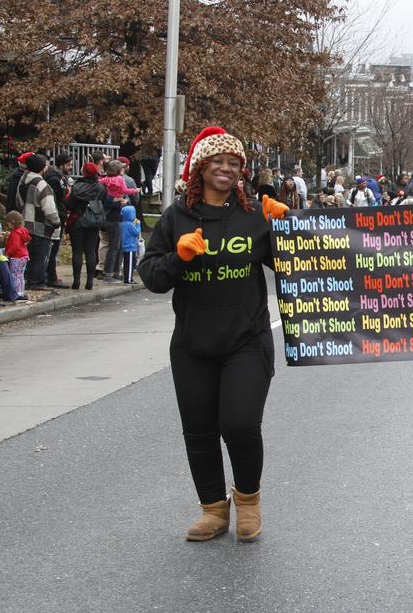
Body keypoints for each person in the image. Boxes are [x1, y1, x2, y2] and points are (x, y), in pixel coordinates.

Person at [138, 126, 288, 543]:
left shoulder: (255, 214)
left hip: (246, 340)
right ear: (200, 168)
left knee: (240, 425)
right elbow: (151, 276)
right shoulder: (176, 217)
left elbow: (301, 268)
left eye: (234, 163)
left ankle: (248, 501)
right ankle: (212, 510)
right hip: (193, 344)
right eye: (218, 162)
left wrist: (290, 228)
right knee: (199, 430)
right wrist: (178, 257)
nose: (226, 169)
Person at [14, 154, 61, 291]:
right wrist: (56, 222)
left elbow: (18, 202)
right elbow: (49, 208)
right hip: (41, 225)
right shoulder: (42, 184)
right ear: (41, 168)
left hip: (25, 223)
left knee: (29, 254)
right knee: (41, 256)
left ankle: (28, 280)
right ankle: (37, 282)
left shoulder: (23, 180)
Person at [66, 162, 115, 290]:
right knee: (90, 251)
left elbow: (69, 204)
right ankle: (89, 282)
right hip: (94, 221)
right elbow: (103, 202)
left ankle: (76, 281)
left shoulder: (77, 186)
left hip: (78, 220)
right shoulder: (100, 187)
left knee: (77, 251)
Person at [98, 160, 130, 282]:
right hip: (112, 218)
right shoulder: (110, 183)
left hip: (114, 217)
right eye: (121, 168)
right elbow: (108, 202)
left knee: (117, 246)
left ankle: (115, 271)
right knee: (114, 246)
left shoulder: (109, 181)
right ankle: (109, 272)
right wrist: (121, 202)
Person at [44, 154, 72, 288]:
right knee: (53, 247)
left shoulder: (58, 177)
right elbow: (59, 198)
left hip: (59, 213)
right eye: (68, 164)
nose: (70, 167)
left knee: (54, 247)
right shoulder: (56, 179)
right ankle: (51, 276)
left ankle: (50, 274)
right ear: (61, 165)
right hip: (57, 215)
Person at [3, 211, 31, 297]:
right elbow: (27, 239)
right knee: (20, 275)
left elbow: (15, 246)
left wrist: (7, 254)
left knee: (14, 275)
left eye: (8, 223)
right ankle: (21, 291)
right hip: (24, 256)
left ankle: (17, 293)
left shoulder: (15, 233)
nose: (7, 225)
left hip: (17, 257)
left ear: (12, 222)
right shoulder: (23, 230)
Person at [120, 205, 142, 284]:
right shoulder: (130, 225)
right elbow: (136, 232)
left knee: (126, 263)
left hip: (125, 245)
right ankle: (128, 279)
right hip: (130, 246)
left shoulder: (123, 223)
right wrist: (138, 225)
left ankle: (128, 278)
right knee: (129, 264)